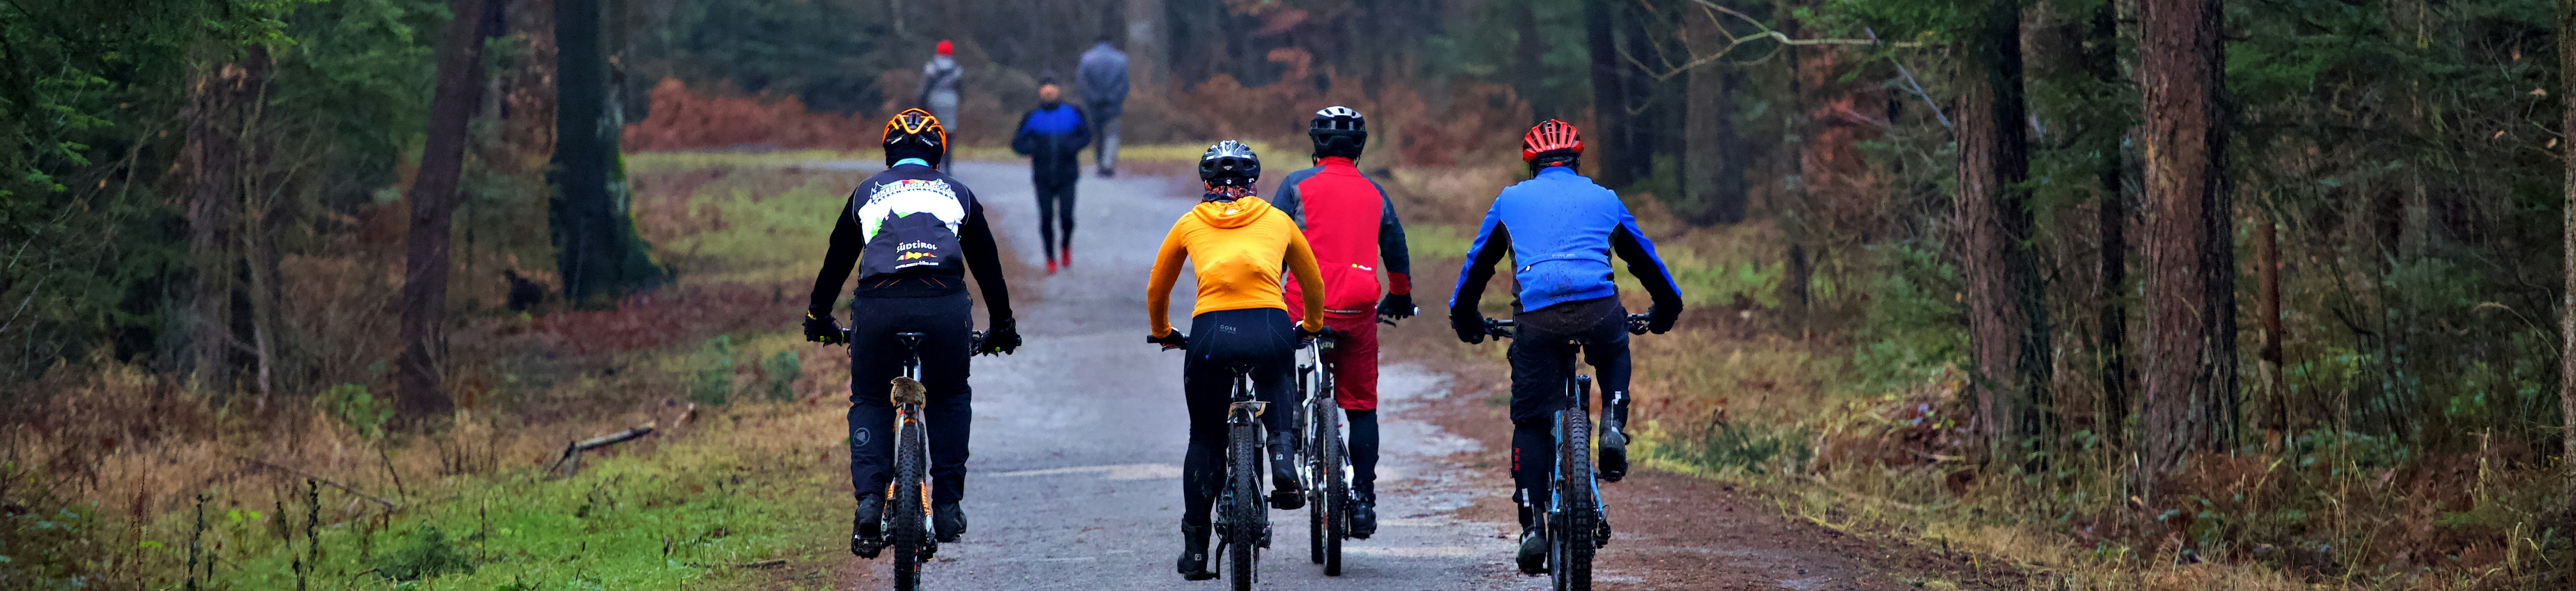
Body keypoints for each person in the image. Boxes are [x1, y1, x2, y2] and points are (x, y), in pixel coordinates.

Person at [1447, 119, 1681, 575]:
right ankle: (1612, 421)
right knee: (1613, 350)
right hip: (1597, 309)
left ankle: (1533, 525)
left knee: (1532, 422)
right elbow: (1645, 261)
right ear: (1576, 160)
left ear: (1531, 164)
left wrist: (1466, 321)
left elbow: (1475, 269)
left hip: (1536, 320)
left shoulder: (1509, 201)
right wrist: (1664, 311)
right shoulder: (1604, 199)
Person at [804, 108, 1024, 558]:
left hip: (878, 308)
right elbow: (987, 266)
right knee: (947, 395)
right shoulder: (957, 192)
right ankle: (946, 505)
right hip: (943, 306)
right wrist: (1002, 326)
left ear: (889, 154)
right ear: (937, 156)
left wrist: (818, 317)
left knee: (869, 398)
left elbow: (836, 263)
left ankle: (869, 502)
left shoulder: (866, 191)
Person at [1145, 140, 1328, 580]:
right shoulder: (1277, 219)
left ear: (1206, 183)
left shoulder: (1189, 222)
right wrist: (1312, 324)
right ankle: (1282, 455)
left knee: (1204, 439)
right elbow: (1312, 280)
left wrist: (1162, 332)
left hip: (1211, 334)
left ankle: (1194, 548)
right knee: (1275, 370)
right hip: (1269, 325)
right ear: (1253, 183)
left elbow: (1157, 288)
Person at [1268, 106, 1412, 540]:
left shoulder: (1296, 185)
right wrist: (1401, 296)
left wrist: (1268, 285)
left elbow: (1272, 242)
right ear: (1361, 146)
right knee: (1363, 405)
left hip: (1304, 305)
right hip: (1358, 307)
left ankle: (1290, 438)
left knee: (1282, 364)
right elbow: (1395, 244)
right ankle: (1364, 498)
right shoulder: (1374, 191)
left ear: (1316, 145)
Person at [1009, 75, 1092, 274]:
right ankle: (1050, 258)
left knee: (1067, 217)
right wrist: (1034, 148)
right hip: (1042, 177)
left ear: (1058, 90)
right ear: (1040, 92)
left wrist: (1071, 147)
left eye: (1052, 87)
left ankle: (1065, 247)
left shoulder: (1073, 113)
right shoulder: (1032, 117)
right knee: (1046, 218)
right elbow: (1017, 144)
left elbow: (1087, 136)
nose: (1049, 91)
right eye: (1045, 88)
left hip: (1067, 175)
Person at [1076, 37, 1129, 177]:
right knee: (1112, 133)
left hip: (1093, 104)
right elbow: (1124, 83)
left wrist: (1091, 97)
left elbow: (1082, 82)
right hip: (1113, 103)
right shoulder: (1121, 59)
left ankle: (1100, 164)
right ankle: (1108, 164)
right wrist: (1116, 97)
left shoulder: (1087, 58)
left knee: (1098, 134)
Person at [918, 40, 964, 170]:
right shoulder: (956, 68)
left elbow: (925, 87)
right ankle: (948, 166)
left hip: (935, 100)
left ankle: (934, 164)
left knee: (933, 132)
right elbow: (960, 87)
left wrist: (921, 105)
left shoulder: (932, 66)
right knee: (949, 134)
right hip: (951, 101)